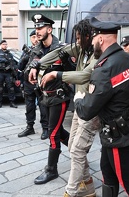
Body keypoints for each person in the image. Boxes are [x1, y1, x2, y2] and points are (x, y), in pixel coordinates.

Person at [73, 17, 129, 197]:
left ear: (100, 39)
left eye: (92, 39)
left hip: (117, 135)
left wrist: (78, 98)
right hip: (125, 126)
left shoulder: (104, 69)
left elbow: (87, 111)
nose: (91, 43)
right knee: (108, 174)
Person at [31, 19, 98, 197]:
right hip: (76, 102)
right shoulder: (81, 48)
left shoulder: (97, 53)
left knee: (74, 148)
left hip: (88, 104)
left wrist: (56, 74)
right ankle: (89, 187)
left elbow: (85, 75)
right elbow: (59, 52)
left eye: (78, 37)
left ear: (87, 36)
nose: (76, 41)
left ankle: (70, 190)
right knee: (72, 146)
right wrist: (36, 64)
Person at [26, 14, 70, 185]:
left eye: (40, 28)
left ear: (49, 29)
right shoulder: (36, 49)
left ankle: (51, 170)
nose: (37, 31)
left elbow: (74, 72)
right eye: (36, 28)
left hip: (59, 97)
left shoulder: (62, 49)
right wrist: (31, 70)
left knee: (52, 133)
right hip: (44, 98)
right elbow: (27, 69)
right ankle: (77, 151)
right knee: (59, 132)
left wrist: (61, 69)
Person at [17, 30, 42, 138]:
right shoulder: (27, 51)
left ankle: (45, 128)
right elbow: (20, 67)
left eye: (36, 37)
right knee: (29, 106)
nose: (35, 39)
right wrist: (25, 57)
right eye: (33, 37)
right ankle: (29, 127)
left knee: (43, 105)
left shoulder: (43, 49)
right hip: (28, 83)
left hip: (40, 82)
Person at [0, 39, 18, 108]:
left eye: (6, 44)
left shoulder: (9, 54)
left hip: (8, 73)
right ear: (0, 45)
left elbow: (13, 63)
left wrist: (14, 68)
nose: (5, 45)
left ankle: (12, 102)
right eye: (3, 44)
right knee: (0, 88)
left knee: (11, 88)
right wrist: (3, 60)